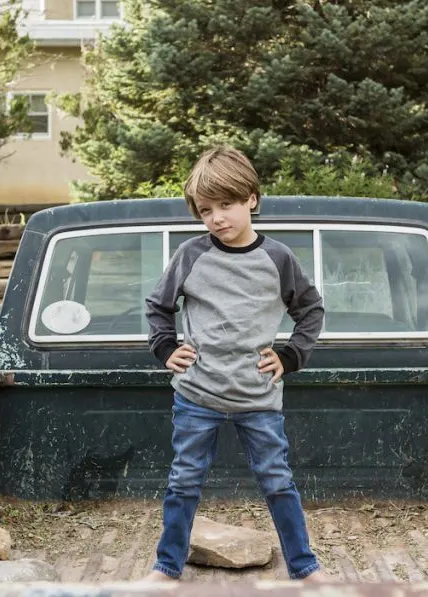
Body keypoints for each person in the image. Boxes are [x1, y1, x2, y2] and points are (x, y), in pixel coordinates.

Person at [141, 146, 329, 583]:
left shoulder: (278, 258)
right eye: (206, 210)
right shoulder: (190, 254)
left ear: (252, 200)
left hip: (258, 396)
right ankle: (166, 569)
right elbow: (157, 307)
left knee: (277, 482)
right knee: (183, 482)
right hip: (197, 394)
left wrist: (290, 355)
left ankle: (304, 569)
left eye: (226, 205)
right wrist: (165, 347)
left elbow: (311, 310)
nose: (217, 218)